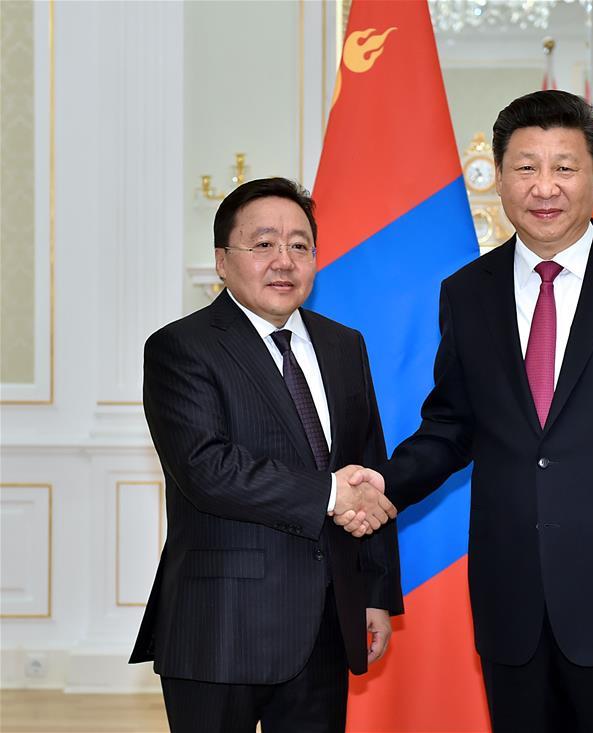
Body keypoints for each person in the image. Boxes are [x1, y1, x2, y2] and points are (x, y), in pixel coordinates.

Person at [341, 91, 593, 732]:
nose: (544, 187)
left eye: (565, 167)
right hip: (513, 597)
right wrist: (385, 482)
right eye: (526, 168)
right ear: (498, 178)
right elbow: (452, 425)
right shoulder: (469, 292)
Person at [130, 177, 403, 733]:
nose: (284, 260)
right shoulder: (181, 347)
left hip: (326, 622)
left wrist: (374, 594)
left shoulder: (343, 344)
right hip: (219, 625)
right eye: (263, 244)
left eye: (300, 245)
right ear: (222, 261)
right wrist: (331, 494)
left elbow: (367, 470)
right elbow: (207, 468)